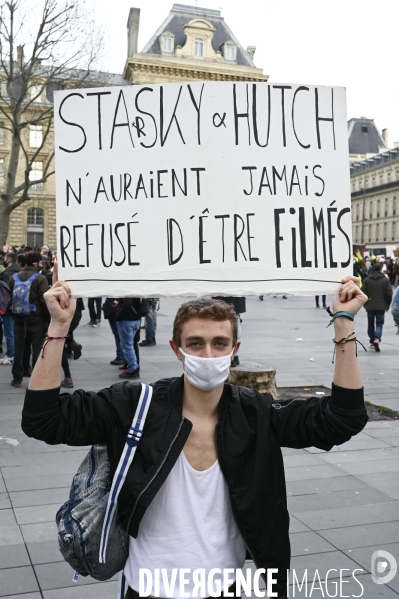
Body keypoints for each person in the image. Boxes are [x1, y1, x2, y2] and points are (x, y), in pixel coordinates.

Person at [21, 271, 368, 599]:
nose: (208, 354)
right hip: (149, 587)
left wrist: (343, 323)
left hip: (225, 586)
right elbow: (44, 419)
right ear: (177, 350)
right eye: (195, 343)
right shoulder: (132, 405)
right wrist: (59, 325)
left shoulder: (256, 414)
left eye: (220, 343)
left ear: (234, 350)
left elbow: (342, 418)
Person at [8, 251, 49, 387]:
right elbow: (44, 301)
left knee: (19, 347)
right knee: (37, 348)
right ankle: (36, 379)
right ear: (36, 263)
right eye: (40, 262)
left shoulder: (14, 277)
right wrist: (47, 317)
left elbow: (10, 298)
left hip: (19, 318)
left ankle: (17, 378)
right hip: (36, 319)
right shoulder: (40, 279)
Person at [361, 262, 392, 352]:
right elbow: (389, 293)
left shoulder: (367, 280)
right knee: (379, 323)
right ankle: (377, 339)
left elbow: (362, 292)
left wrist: (365, 303)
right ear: (380, 270)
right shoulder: (385, 280)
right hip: (381, 306)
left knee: (370, 324)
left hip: (370, 305)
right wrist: (387, 304)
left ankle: (372, 341)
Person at [0, 252, 21, 364]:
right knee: (16, 331)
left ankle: (10, 354)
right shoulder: (19, 271)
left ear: (8, 260)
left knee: (9, 331)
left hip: (8, 306)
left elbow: (5, 292)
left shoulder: (7, 273)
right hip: (20, 305)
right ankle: (14, 354)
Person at [212, 296, 245, 367]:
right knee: (236, 317)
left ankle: (231, 355)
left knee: (227, 318)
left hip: (225, 294)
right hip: (236, 295)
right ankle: (235, 355)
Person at [116, 298, 142, 379]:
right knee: (130, 345)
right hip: (136, 319)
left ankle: (133, 369)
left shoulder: (128, 288)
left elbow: (128, 304)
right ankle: (133, 366)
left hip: (127, 320)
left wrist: (118, 315)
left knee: (127, 346)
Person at [103, 298, 125, 365]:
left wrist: (114, 306)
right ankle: (119, 355)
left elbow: (119, 299)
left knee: (119, 335)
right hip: (111, 312)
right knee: (116, 335)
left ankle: (122, 356)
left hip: (116, 312)